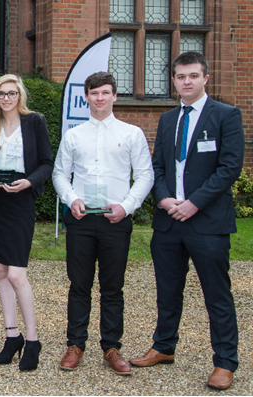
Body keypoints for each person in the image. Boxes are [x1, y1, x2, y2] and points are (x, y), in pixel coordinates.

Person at [129, 52, 244, 391]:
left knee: (217, 295)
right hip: (168, 222)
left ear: (205, 78)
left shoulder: (225, 115)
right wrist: (163, 199)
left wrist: (193, 203)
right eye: (181, 76)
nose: (187, 82)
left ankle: (224, 363)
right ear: (174, 80)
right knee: (167, 291)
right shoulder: (167, 120)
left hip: (206, 222)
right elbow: (158, 166)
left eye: (193, 75)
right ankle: (164, 346)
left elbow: (229, 168)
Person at [52, 72, 153, 376]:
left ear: (114, 96)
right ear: (86, 97)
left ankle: (111, 346)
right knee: (79, 285)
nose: (99, 98)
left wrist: (126, 206)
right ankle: (75, 345)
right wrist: (72, 199)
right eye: (94, 93)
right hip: (82, 220)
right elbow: (59, 173)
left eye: (105, 93)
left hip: (115, 220)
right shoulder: (74, 135)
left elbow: (146, 175)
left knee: (112, 287)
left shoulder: (132, 133)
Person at [0, 74, 53, 371]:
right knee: (0, 270)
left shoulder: (35, 122)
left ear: (20, 95)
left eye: (12, 93)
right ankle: (12, 336)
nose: (6, 98)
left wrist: (29, 182)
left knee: (17, 274)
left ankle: (32, 340)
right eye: (1, 94)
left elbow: (47, 163)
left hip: (21, 200)